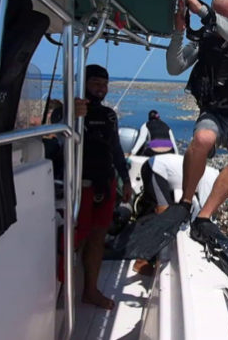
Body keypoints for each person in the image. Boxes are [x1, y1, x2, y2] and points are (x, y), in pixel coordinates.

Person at [123, 0, 228, 259]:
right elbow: (174, 67)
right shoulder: (206, 40)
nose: (215, 24)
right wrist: (179, 33)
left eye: (221, 17)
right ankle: (185, 202)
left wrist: (203, 12)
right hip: (214, 112)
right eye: (214, 15)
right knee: (201, 140)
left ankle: (204, 217)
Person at [76, 64, 133, 309]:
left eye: (105, 84)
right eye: (96, 83)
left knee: (98, 237)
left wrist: (126, 179)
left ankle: (90, 290)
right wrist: (70, 114)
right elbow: (58, 134)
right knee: (75, 239)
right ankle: (59, 289)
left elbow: (116, 150)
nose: (102, 89)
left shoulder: (109, 116)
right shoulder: (70, 110)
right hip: (79, 186)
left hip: (105, 183)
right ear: (84, 84)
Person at [129, 153, 219, 275]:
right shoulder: (211, 179)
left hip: (153, 167)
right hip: (155, 169)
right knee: (164, 214)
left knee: (150, 213)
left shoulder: (210, 172)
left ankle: (139, 249)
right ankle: (141, 261)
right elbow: (205, 213)